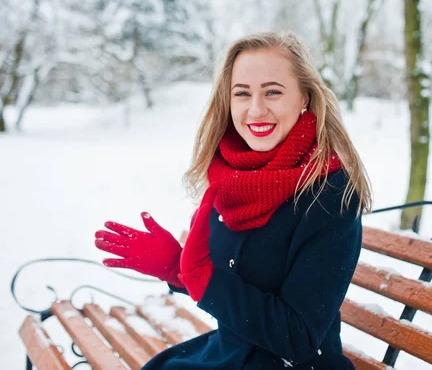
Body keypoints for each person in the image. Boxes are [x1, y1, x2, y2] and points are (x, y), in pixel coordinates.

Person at [94, 31, 372, 369]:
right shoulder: (229, 178)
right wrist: (177, 270)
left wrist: (203, 280)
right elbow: (232, 280)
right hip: (232, 353)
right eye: (242, 93)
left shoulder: (329, 196)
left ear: (304, 98)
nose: (256, 110)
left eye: (272, 92)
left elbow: (299, 339)